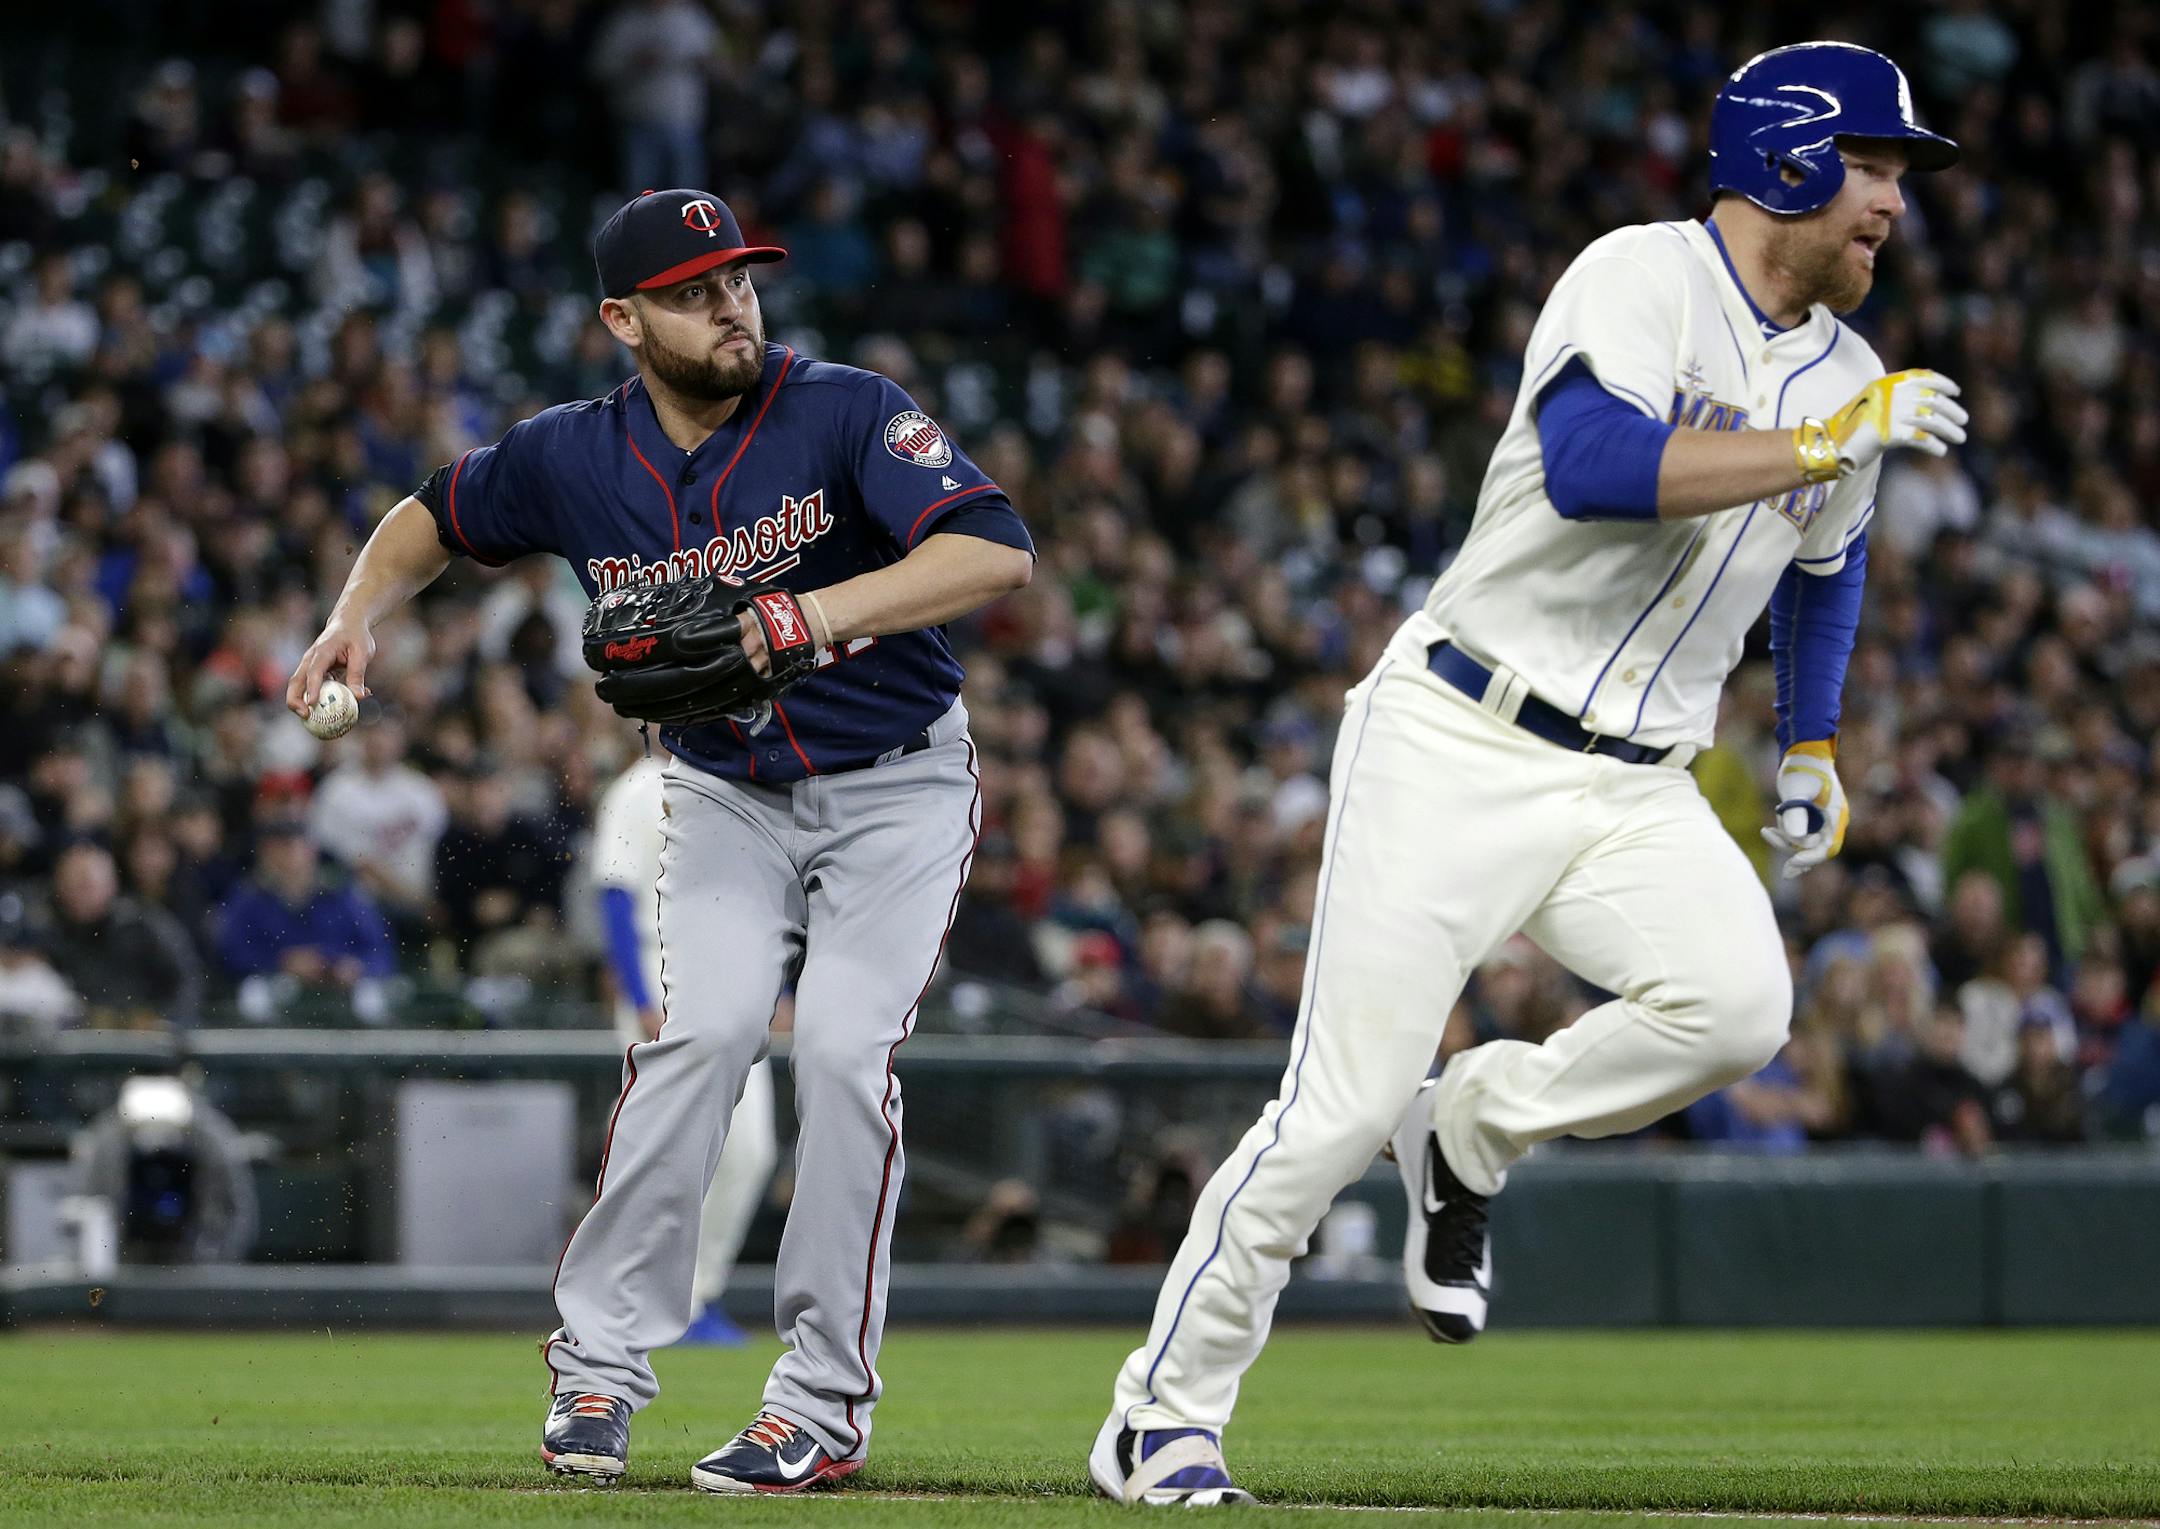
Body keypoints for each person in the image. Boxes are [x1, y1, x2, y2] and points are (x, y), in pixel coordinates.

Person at [1091, 43, 1968, 1505]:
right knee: (1336, 1107)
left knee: (1740, 1004)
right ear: (1793, 157)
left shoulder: (1850, 371)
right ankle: (1160, 1415)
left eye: (1898, 175)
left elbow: (1830, 561)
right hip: (1461, 734)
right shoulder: (1641, 275)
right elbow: (1591, 462)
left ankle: (1478, 1124)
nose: (1894, 200)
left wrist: (1812, 736)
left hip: (1638, 781)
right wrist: (1817, 442)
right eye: (1876, 166)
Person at [286, 189, 1032, 1493]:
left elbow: (993, 552)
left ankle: (817, 1407)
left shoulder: (847, 408)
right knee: (696, 1043)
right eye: (693, 291)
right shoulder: (573, 455)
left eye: (738, 280)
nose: (730, 305)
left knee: (849, 1059)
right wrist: (357, 610)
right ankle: (598, 1366)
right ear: (623, 319)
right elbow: (430, 518)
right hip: (727, 791)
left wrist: (804, 617)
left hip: (898, 784)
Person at [588, 745, 778, 1346]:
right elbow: (615, 896)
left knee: (749, 1150)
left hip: (732, 972)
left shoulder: (735, 779)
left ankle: (697, 1298)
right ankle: (636, 1301)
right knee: (665, 1151)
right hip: (660, 967)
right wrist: (641, 997)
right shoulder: (636, 789)